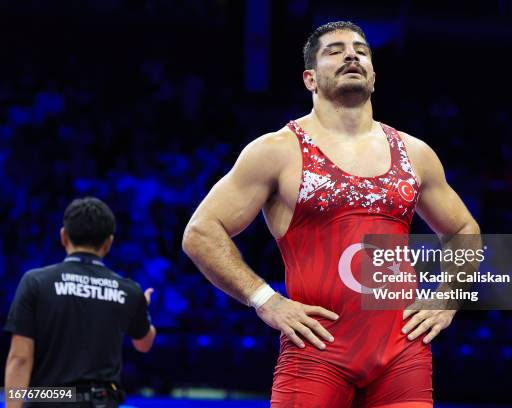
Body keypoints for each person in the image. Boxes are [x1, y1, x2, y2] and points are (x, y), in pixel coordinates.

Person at [183, 21, 480, 407]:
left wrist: (447, 297)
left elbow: (463, 229)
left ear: (373, 76)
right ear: (310, 78)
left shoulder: (415, 153)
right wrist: (265, 299)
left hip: (402, 354)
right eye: (335, 50)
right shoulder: (277, 151)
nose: (351, 54)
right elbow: (201, 231)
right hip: (316, 352)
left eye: (361, 49)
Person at [4, 197, 156, 408]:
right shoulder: (129, 291)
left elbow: (20, 358)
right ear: (108, 243)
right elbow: (144, 344)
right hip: (100, 401)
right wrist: (142, 309)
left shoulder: (35, 282)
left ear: (64, 236)